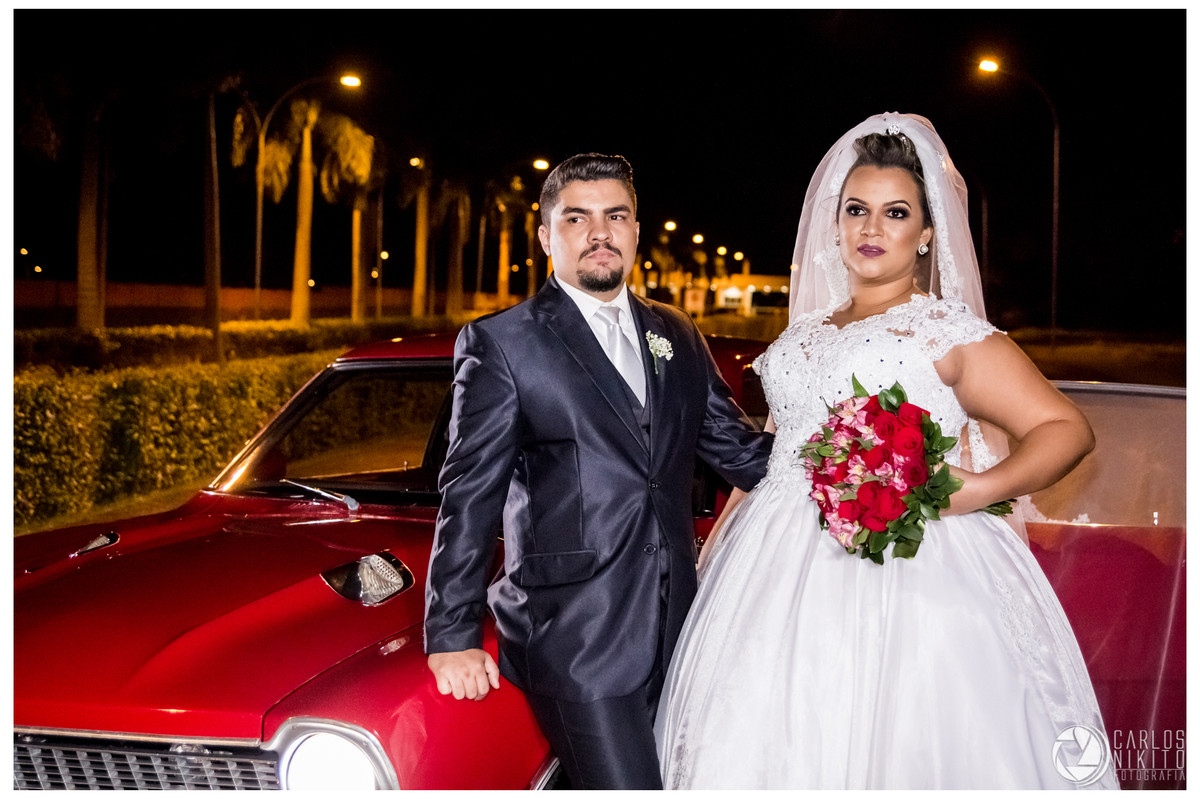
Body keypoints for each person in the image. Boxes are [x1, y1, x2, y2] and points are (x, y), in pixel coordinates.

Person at [654, 113, 1119, 789]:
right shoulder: (807, 329)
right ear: (835, 222)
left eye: (895, 212)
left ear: (927, 232)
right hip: (767, 569)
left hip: (908, 564)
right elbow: (782, 445)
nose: (872, 229)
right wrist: (721, 535)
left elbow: (1065, 428)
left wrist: (980, 487)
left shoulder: (947, 330)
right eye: (857, 210)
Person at [424, 153, 773, 790]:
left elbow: (740, 454)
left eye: (615, 216)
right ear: (546, 235)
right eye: (577, 218)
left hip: (680, 629)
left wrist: (856, 474)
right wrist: (452, 632)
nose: (599, 233)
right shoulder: (503, 343)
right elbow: (469, 492)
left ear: (636, 229)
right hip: (572, 637)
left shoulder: (677, 332)